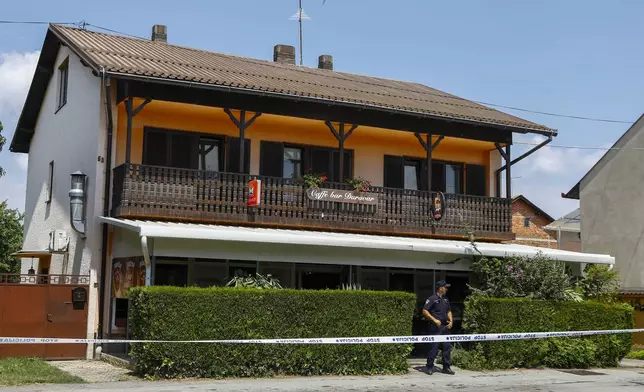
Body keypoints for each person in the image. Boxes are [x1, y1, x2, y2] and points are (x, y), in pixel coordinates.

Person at [422, 280, 455, 375]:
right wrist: (434, 320)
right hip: (435, 326)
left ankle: (446, 367)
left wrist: (451, 321)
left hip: (445, 326)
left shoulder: (445, 299)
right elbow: (425, 311)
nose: (446, 289)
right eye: (445, 287)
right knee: (433, 347)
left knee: (447, 347)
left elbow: (449, 311)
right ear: (440, 288)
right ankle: (429, 367)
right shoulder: (432, 298)